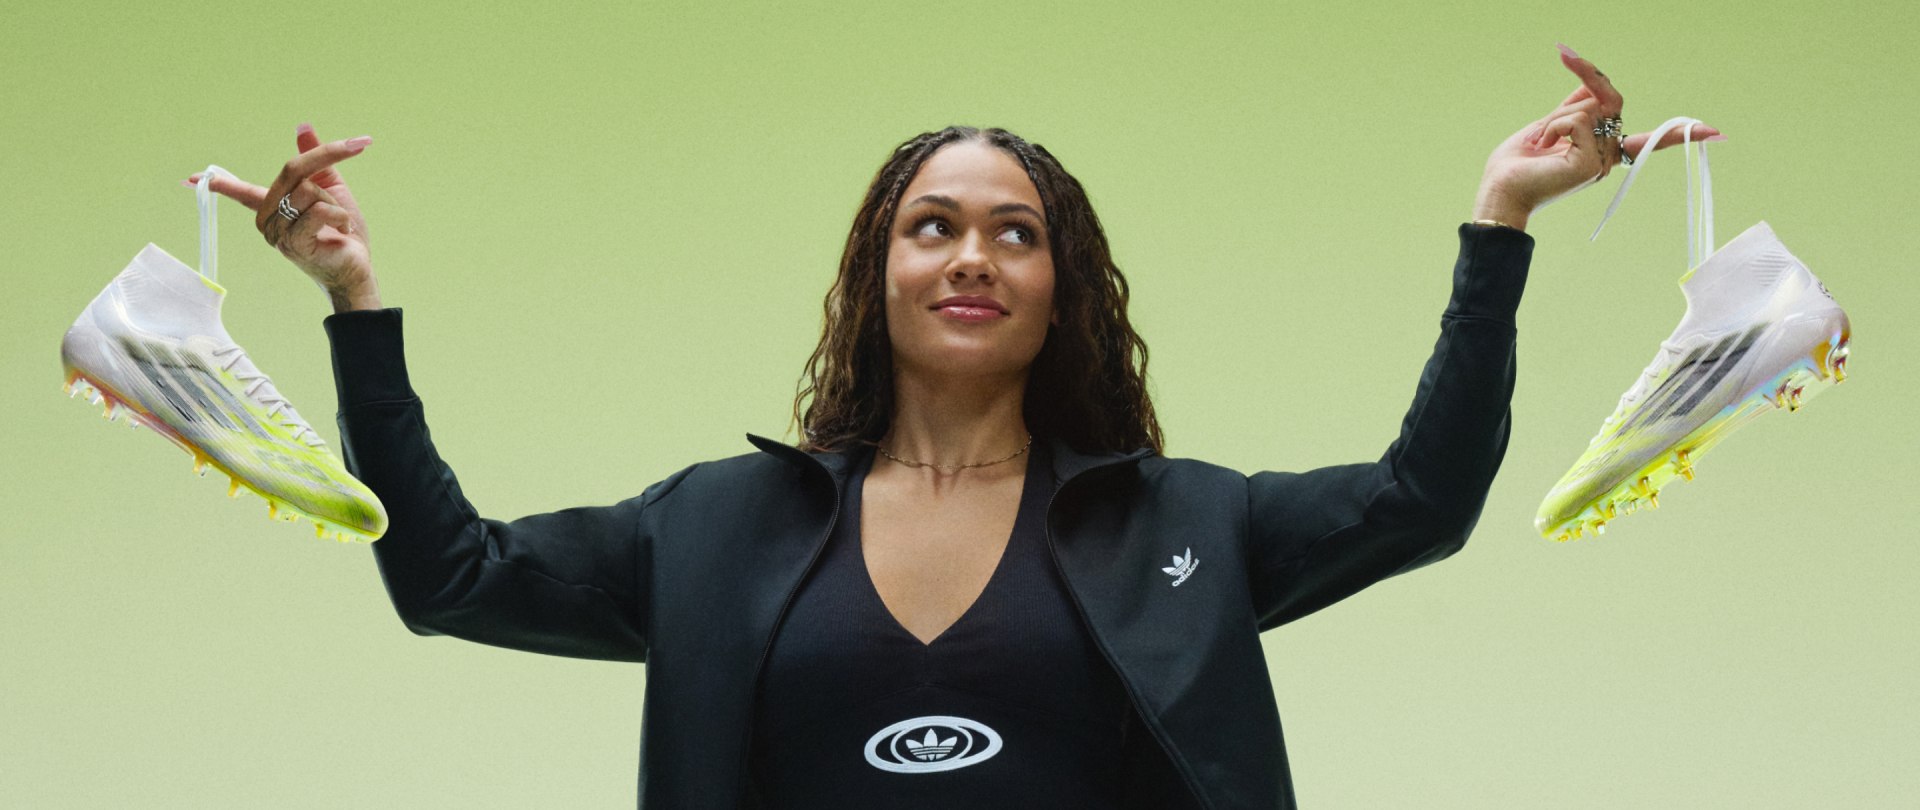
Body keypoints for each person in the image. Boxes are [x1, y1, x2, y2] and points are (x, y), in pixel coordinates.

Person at [190, 44, 1718, 810]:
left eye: (1013, 232)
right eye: (931, 226)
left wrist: (1500, 220)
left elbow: (1420, 498)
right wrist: (352, 299)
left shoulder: (1186, 525)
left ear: (1064, 290)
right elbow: (447, 575)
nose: (971, 254)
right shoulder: (715, 527)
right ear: (879, 272)